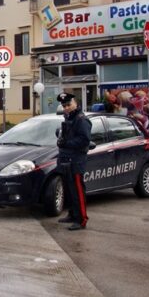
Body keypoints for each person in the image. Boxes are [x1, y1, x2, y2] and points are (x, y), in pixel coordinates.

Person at [56, 92, 91, 230]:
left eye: (68, 105)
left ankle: (82, 219)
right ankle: (72, 214)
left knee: (77, 191)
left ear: (75, 103)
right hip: (66, 159)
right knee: (69, 190)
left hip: (76, 160)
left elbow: (84, 140)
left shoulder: (81, 119)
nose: (66, 108)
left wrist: (67, 143)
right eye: (64, 106)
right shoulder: (68, 117)